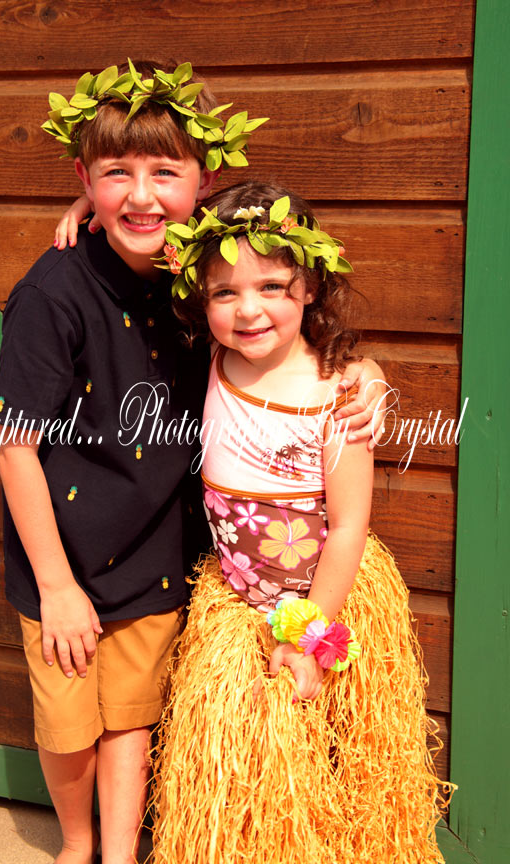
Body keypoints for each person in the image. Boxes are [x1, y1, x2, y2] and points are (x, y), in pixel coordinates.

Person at [0, 59, 386, 864]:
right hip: (63, 559)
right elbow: (15, 445)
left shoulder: (198, 275)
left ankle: (119, 852)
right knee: (69, 724)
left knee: (132, 718)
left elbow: (280, 311)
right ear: (85, 180)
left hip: (154, 554)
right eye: (115, 175)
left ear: (202, 184)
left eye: (164, 175)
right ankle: (76, 846)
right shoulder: (55, 294)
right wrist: (58, 588)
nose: (142, 195)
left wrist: (369, 375)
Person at [147, 180, 451, 864]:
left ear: (310, 286)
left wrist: (312, 638)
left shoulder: (338, 395)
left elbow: (347, 526)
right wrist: (84, 205)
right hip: (236, 603)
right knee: (246, 782)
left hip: (321, 606)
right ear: (200, 296)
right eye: (224, 292)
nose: (248, 309)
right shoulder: (215, 358)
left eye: (273, 287)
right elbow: (149, 236)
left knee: (327, 778)